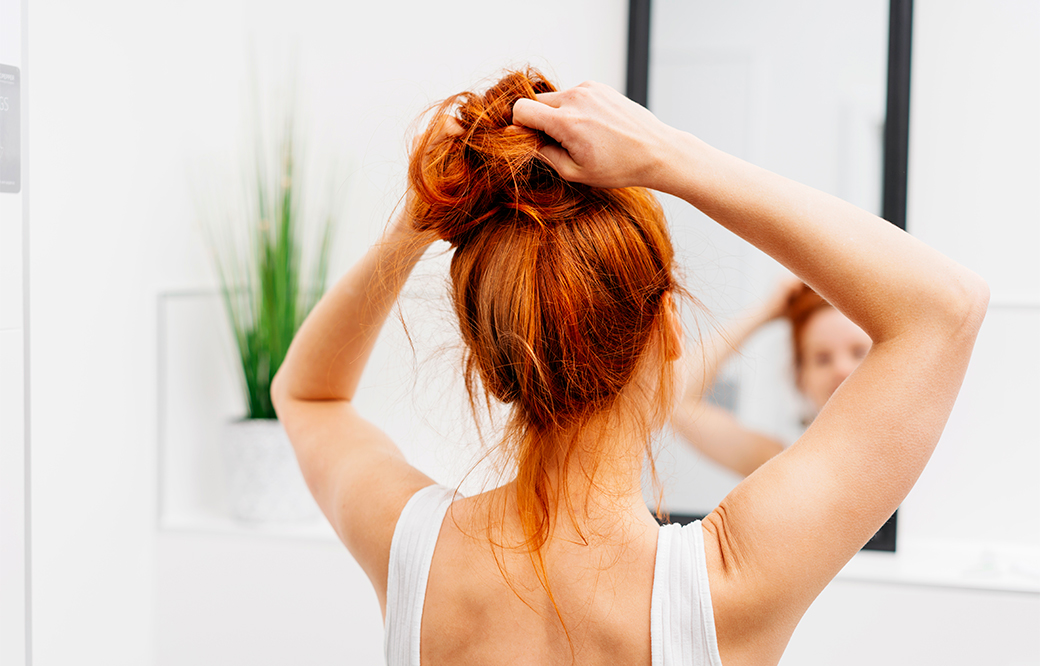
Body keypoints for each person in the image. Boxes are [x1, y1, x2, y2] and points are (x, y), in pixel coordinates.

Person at [270, 69, 988, 666]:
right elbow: (944, 309)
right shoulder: (724, 587)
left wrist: (416, 218)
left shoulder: (413, 552)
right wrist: (668, 155)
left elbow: (307, 395)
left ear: (491, 368)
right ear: (669, 329)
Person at [672, 278, 873, 477]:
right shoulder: (783, 462)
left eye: (859, 352)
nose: (842, 369)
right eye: (822, 359)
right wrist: (764, 313)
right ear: (800, 377)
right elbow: (678, 402)